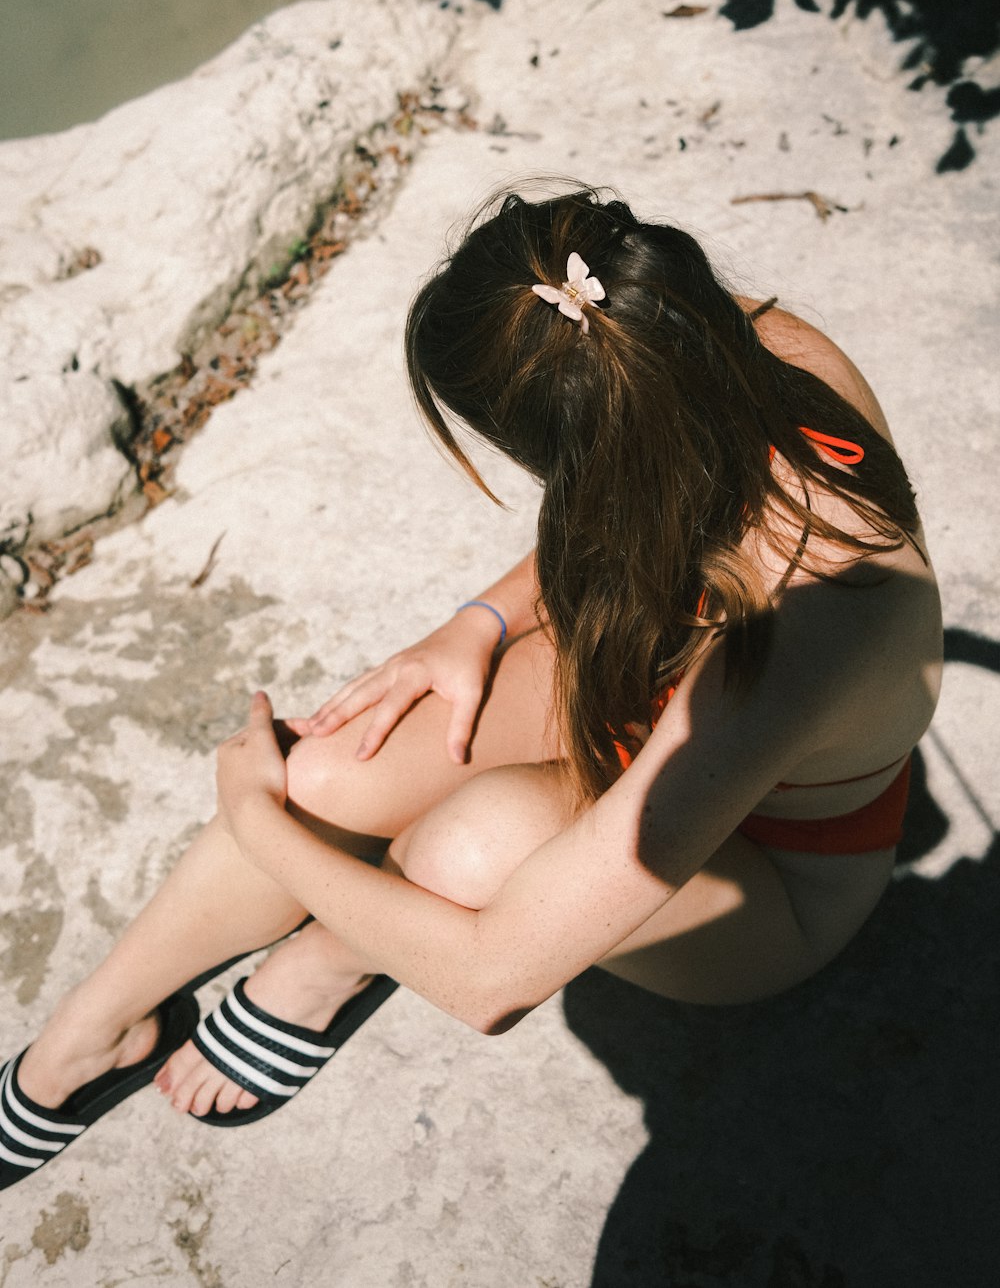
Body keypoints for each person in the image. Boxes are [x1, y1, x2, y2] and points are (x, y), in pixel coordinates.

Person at [1, 186, 942, 1189]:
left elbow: (495, 979)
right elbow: (640, 489)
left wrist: (255, 817)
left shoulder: (822, 619)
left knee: (469, 844)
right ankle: (89, 1032)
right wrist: (476, 625)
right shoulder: (706, 349)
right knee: (336, 764)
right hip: (658, 679)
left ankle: (332, 961)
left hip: (772, 868)